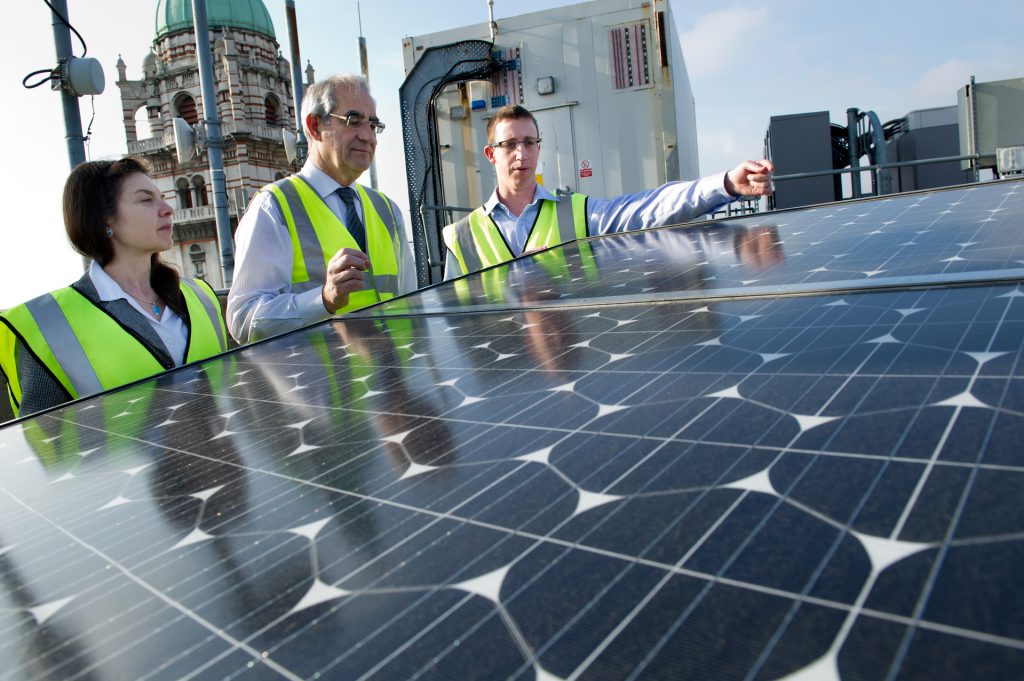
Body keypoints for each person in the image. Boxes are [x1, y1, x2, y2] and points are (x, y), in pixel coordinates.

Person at [0, 158, 229, 419]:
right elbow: (45, 442)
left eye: (163, 198)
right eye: (146, 200)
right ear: (104, 219)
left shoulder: (201, 296)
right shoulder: (47, 325)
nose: (167, 209)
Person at [443, 104, 776, 279]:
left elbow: (648, 208)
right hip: (511, 375)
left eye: (530, 142)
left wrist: (726, 183)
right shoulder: (463, 238)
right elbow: (453, 320)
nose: (522, 153)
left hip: (570, 355)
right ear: (491, 154)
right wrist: (517, 284)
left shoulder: (576, 212)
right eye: (509, 144)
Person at [227, 73, 416, 344]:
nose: (368, 136)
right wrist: (323, 299)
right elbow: (244, 321)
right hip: (321, 385)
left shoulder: (387, 209)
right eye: (353, 121)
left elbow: (413, 304)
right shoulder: (274, 207)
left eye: (373, 125)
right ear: (315, 127)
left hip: (394, 382)